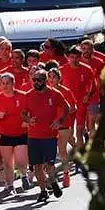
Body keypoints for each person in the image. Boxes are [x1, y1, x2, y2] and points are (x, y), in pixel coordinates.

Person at [22, 67, 71, 203]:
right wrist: (28, 120)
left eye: (39, 80)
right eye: (34, 80)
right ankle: (43, 191)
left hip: (49, 135)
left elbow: (67, 107)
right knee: (37, 165)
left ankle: (53, 181)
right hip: (33, 136)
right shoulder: (29, 95)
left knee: (49, 164)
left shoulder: (55, 94)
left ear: (45, 81)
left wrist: (60, 121)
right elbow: (23, 114)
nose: (36, 82)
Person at [0, 72, 31, 195]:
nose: (5, 86)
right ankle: (10, 186)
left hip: (21, 133)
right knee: (8, 163)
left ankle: (24, 175)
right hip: (5, 134)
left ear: (13, 83)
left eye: (8, 83)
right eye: (3, 83)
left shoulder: (24, 96)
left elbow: (30, 111)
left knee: (20, 160)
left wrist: (27, 122)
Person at [60, 46, 98, 157]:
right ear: (68, 57)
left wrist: (88, 95)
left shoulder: (87, 69)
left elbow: (94, 86)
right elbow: (56, 86)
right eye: (72, 57)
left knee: (79, 130)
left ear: (80, 57)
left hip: (81, 103)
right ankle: (77, 147)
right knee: (69, 133)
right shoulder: (62, 70)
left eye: (77, 57)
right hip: (68, 105)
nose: (74, 60)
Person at [47, 67, 78, 188]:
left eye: (54, 77)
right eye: (49, 77)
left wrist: (63, 114)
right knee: (50, 152)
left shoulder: (66, 91)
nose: (51, 79)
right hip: (49, 125)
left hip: (64, 125)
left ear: (59, 79)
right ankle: (51, 176)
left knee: (62, 149)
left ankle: (66, 174)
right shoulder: (46, 91)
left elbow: (73, 107)